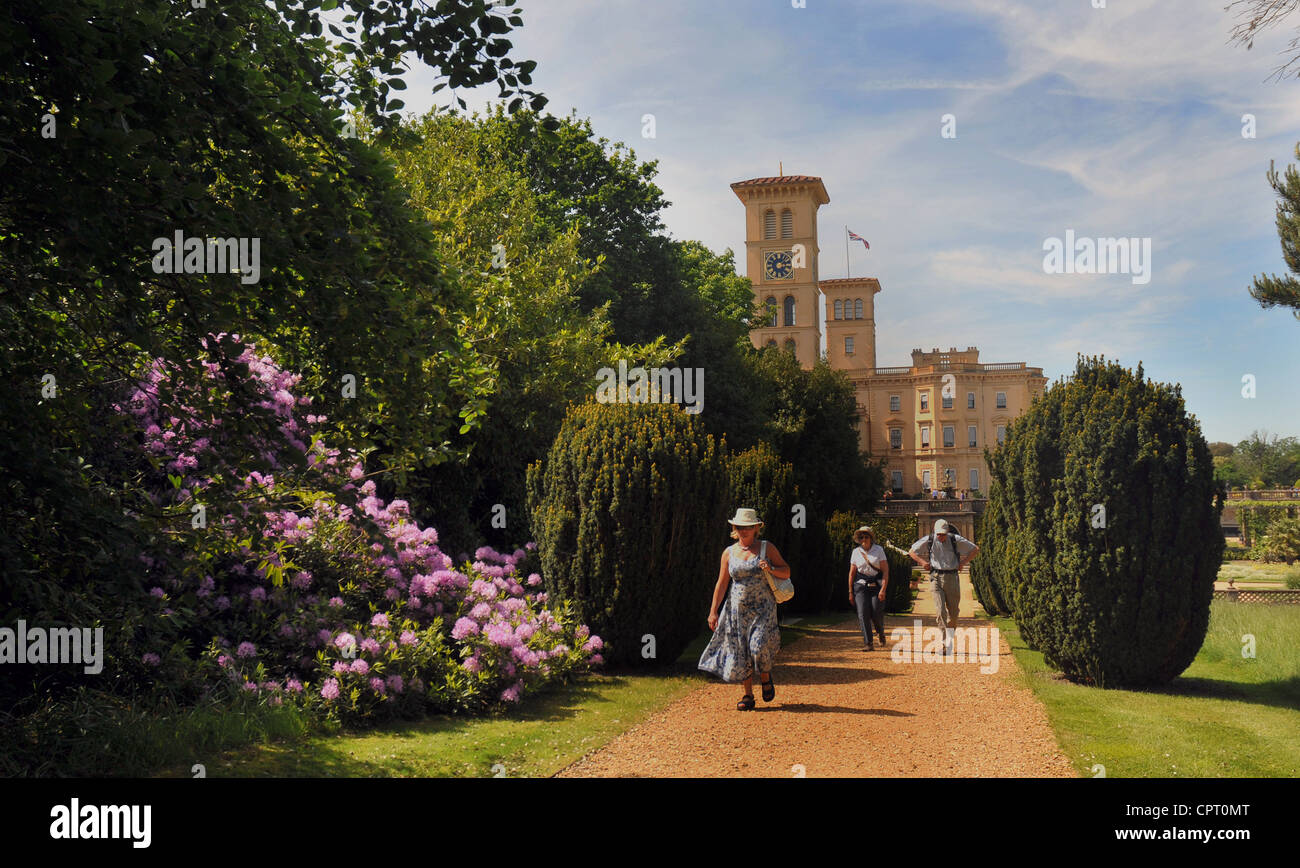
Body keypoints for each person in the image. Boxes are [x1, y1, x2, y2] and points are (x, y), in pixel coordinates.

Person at [699, 508, 790, 710]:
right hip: (737, 610)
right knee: (741, 651)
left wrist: (771, 569)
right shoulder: (729, 553)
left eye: (748, 527)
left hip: (763, 608)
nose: (743, 530)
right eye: (740, 527)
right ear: (735, 528)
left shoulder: (767, 548)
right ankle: (748, 695)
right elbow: (721, 584)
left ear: (756, 528)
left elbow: (786, 571)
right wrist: (713, 611)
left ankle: (765, 677)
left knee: (758, 646)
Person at [909, 519, 978, 654]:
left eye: (943, 534)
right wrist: (923, 562)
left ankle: (949, 638)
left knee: (953, 614)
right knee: (940, 612)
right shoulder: (929, 540)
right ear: (935, 532)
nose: (941, 537)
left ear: (947, 532)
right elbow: (912, 551)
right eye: (939, 534)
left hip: (952, 577)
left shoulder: (955, 539)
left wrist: (963, 562)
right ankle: (944, 644)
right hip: (935, 577)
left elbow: (975, 549)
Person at [848, 526, 889, 650]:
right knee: (862, 613)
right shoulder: (856, 552)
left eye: (866, 536)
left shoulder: (879, 550)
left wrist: (883, 589)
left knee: (876, 611)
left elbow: (886, 571)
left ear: (871, 538)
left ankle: (880, 632)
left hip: (876, 584)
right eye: (861, 537)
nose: (864, 539)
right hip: (860, 585)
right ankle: (868, 643)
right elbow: (852, 573)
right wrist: (850, 591)